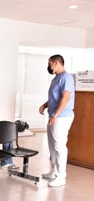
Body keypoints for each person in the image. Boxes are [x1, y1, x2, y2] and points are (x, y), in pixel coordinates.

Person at [39, 54, 75, 187]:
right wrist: (45, 105)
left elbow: (65, 98)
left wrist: (55, 115)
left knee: (59, 146)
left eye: (50, 64)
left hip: (62, 117)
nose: (48, 66)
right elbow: (55, 97)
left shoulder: (66, 78)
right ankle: (54, 171)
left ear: (56, 63)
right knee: (52, 145)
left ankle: (61, 176)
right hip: (53, 115)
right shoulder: (56, 78)